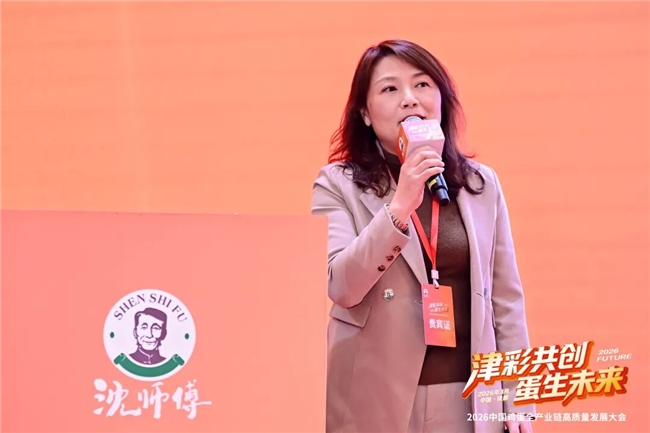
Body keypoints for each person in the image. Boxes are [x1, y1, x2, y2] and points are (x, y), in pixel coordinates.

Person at [311, 39, 536, 433]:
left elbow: (505, 300)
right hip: (374, 394)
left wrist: (518, 396)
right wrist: (399, 207)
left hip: (467, 397)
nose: (409, 99)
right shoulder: (337, 184)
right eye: (390, 88)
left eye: (422, 85)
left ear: (441, 100)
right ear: (365, 113)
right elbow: (341, 285)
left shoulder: (480, 184)